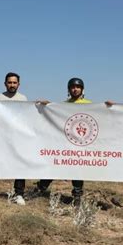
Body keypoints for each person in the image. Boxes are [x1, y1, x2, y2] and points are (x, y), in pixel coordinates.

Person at [33, 77, 91, 205]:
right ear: (69, 89)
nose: (75, 89)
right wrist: (48, 106)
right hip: (65, 143)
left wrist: (108, 107)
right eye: (72, 87)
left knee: (77, 169)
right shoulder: (64, 105)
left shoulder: (90, 104)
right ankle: (40, 188)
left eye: (78, 87)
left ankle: (77, 195)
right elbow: (56, 114)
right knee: (55, 165)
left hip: (80, 143)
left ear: (82, 89)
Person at [0, 72, 28, 206]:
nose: (12, 85)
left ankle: (19, 194)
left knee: (19, 166)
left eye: (14, 83)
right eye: (10, 82)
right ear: (5, 83)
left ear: (18, 84)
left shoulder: (23, 98)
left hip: (17, 138)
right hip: (0, 137)